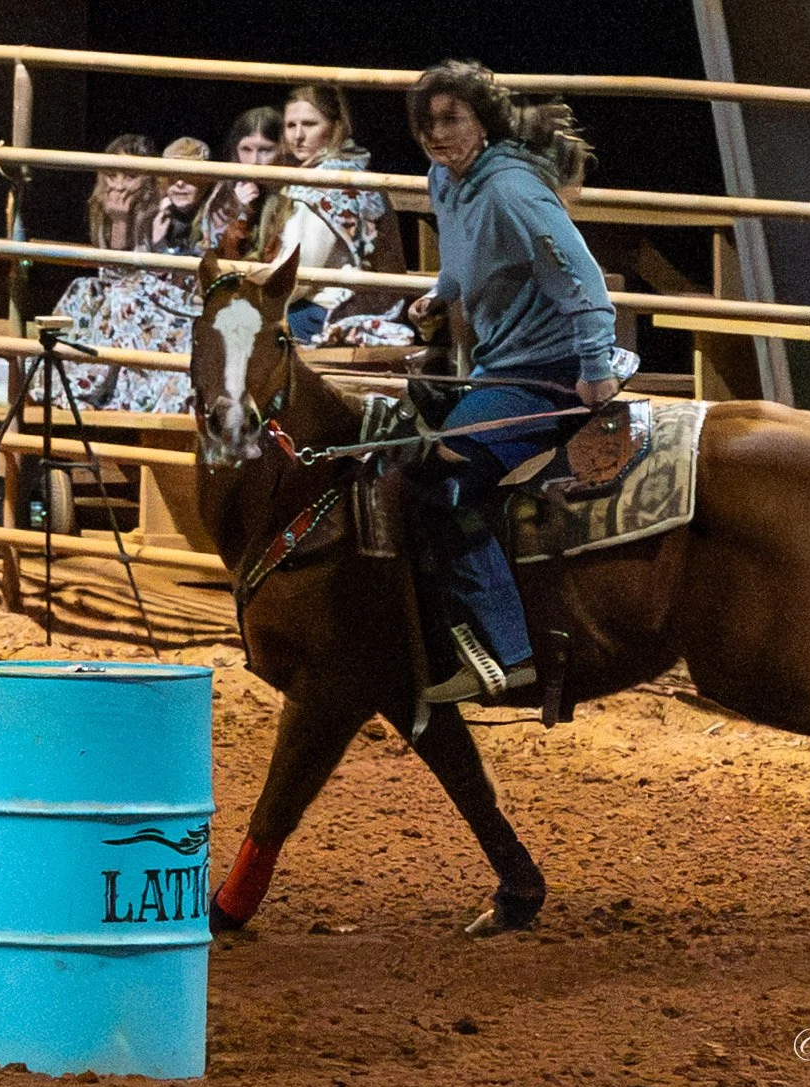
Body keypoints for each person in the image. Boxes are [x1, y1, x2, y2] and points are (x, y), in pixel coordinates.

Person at [404, 61, 631, 704]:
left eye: (451, 119)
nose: (435, 134)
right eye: (426, 122)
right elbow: (465, 254)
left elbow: (582, 281)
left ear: (484, 121)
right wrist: (440, 293)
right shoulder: (447, 180)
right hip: (502, 366)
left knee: (445, 481)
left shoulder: (509, 188)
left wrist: (594, 370)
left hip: (548, 371)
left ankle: (513, 651)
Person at [34, 135, 204, 413]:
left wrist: (124, 221)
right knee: (83, 290)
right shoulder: (105, 208)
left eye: (130, 175)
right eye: (112, 174)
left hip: (164, 306)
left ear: (148, 178)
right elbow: (111, 272)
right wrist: (118, 219)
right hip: (127, 295)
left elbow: (145, 275)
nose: (119, 184)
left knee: (122, 299)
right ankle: (65, 384)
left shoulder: (162, 210)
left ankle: (119, 396)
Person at [264, 85, 409, 343]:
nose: (298, 136)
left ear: (334, 127)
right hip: (355, 304)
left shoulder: (326, 182)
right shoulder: (351, 170)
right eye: (290, 125)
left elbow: (300, 273)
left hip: (330, 311)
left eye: (309, 124)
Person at [198, 107, 283, 257]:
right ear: (235, 150)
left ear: (283, 149)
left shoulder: (290, 193)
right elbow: (212, 254)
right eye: (246, 149)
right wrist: (239, 210)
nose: (254, 161)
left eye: (265, 150)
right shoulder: (223, 191)